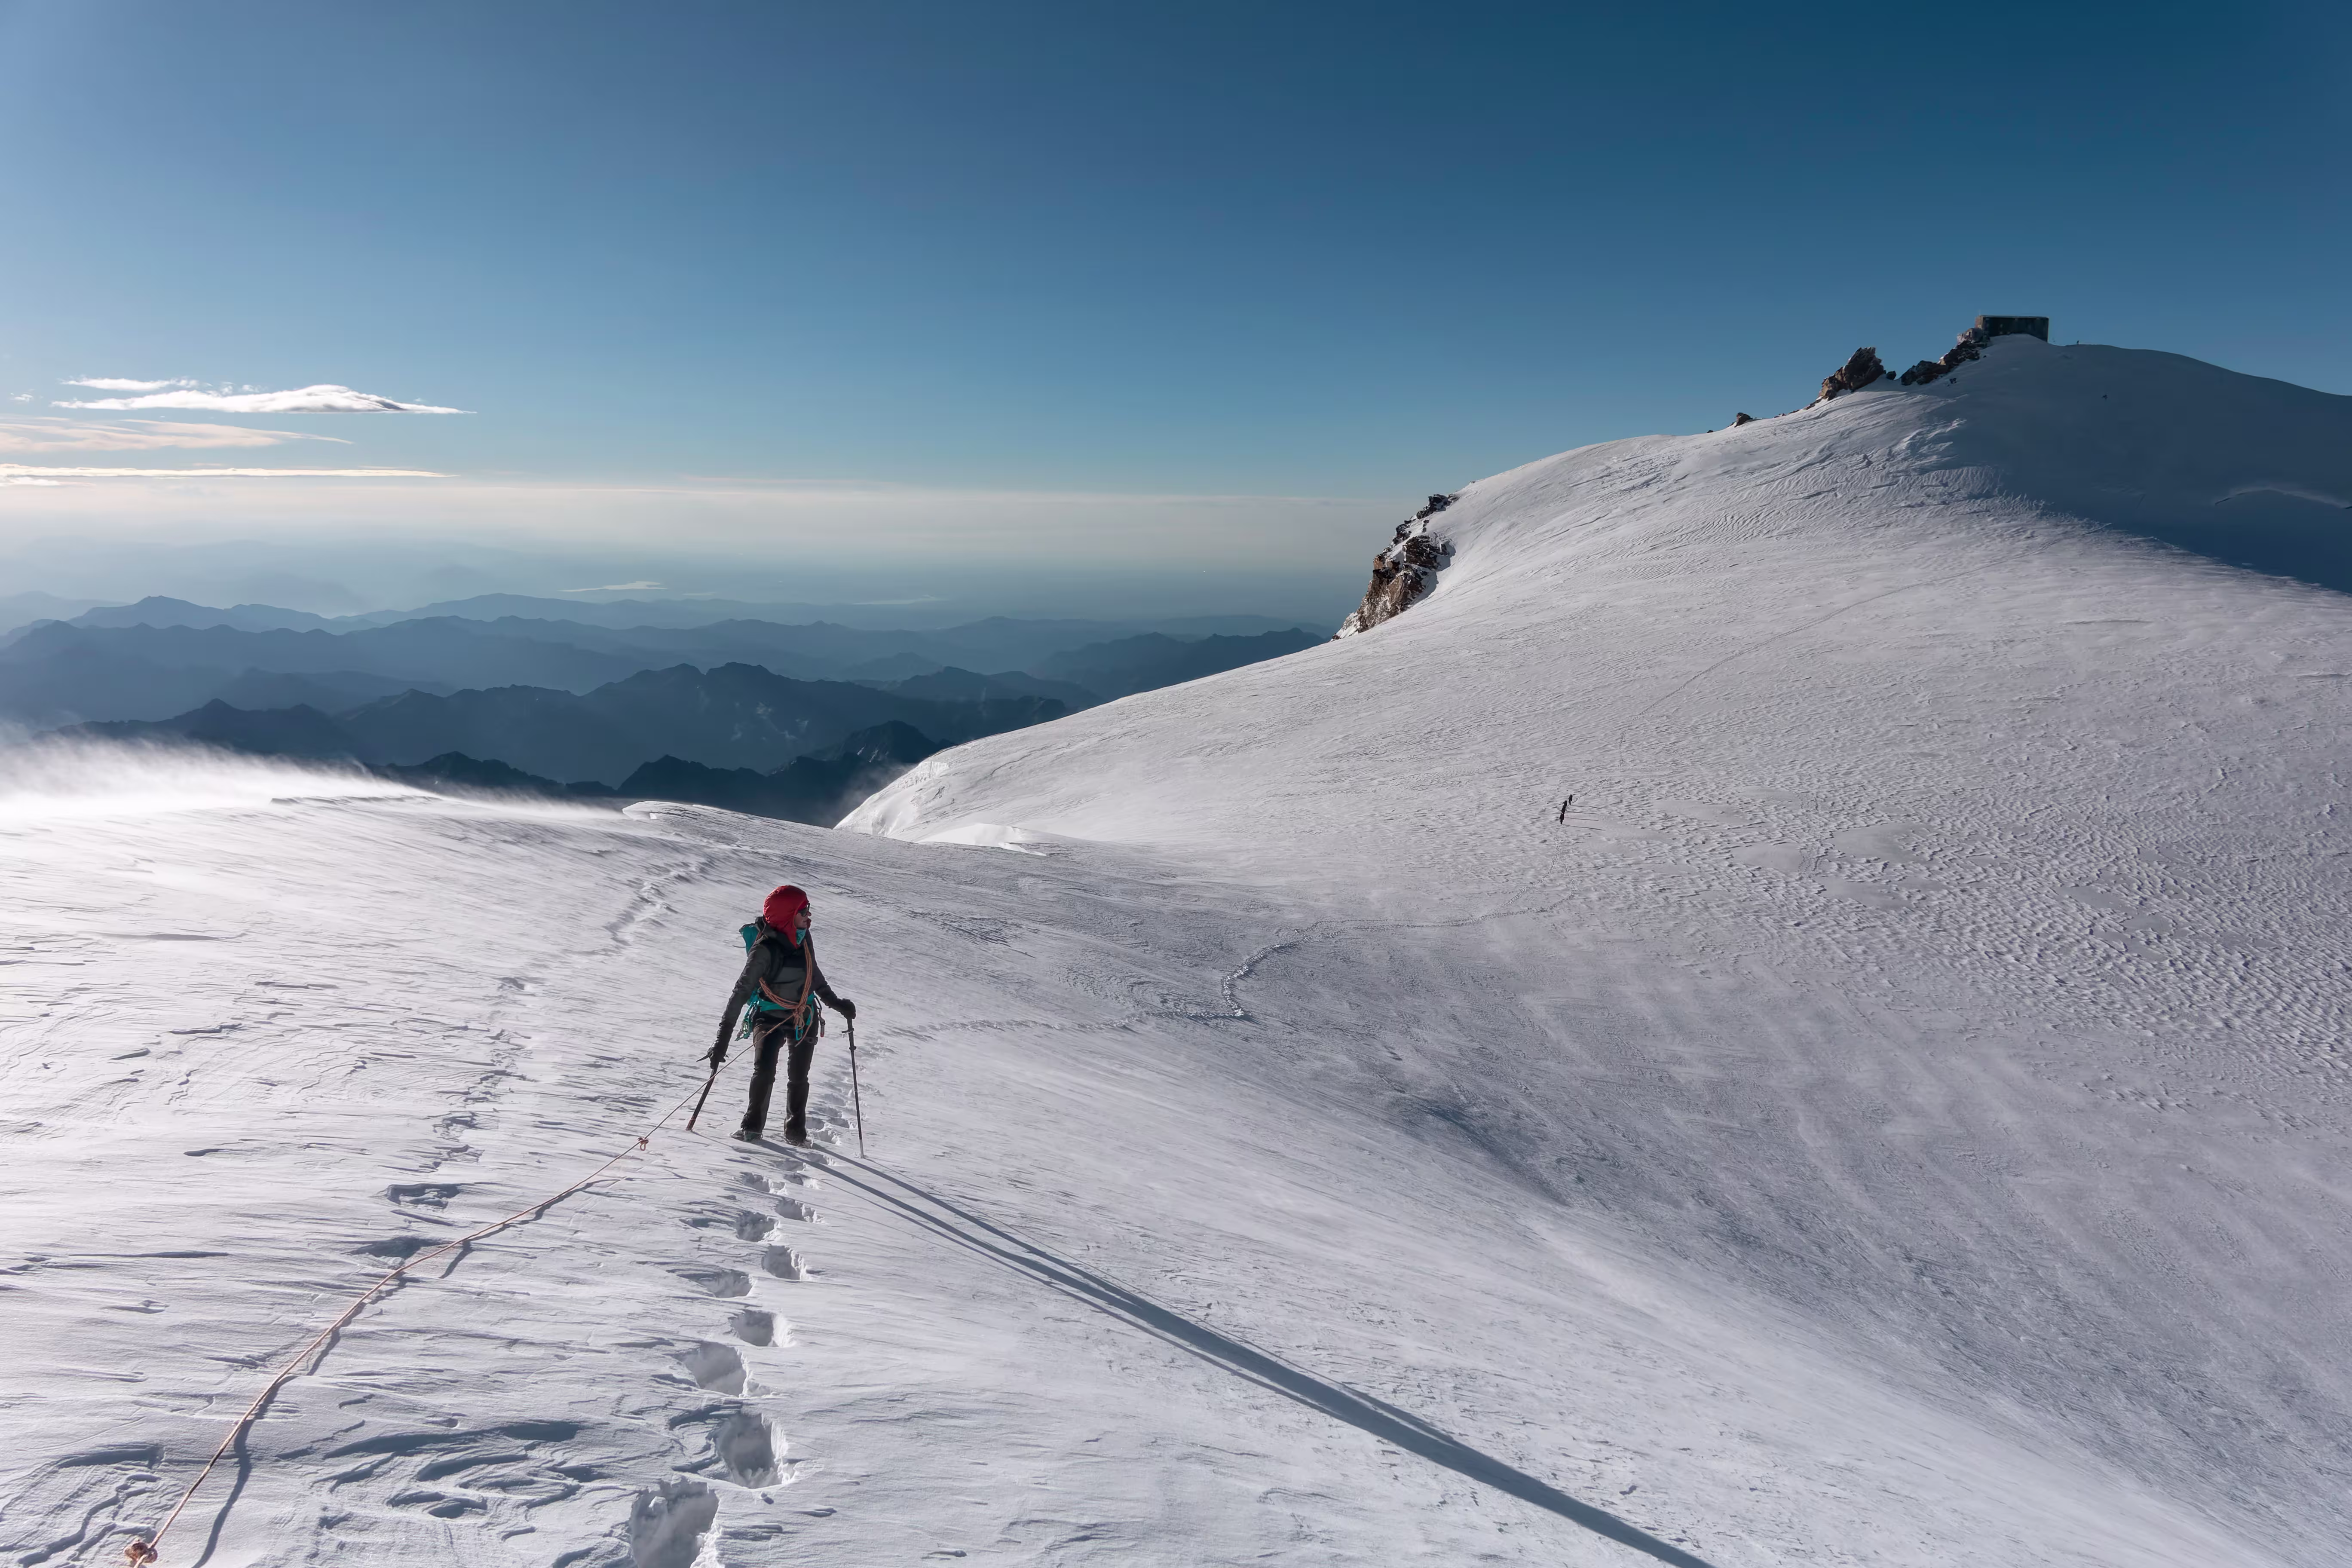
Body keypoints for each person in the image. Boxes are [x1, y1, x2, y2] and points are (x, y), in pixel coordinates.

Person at [709, 884, 855, 1145]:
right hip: (769, 1016)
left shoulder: (803, 938)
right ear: (788, 915)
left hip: (804, 1016)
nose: (809, 916)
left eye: (809, 910)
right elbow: (741, 992)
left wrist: (836, 1003)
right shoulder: (764, 949)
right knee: (764, 1071)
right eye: (804, 911)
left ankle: (796, 1132)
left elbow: (814, 975)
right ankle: (752, 1127)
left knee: (799, 1076)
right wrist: (722, 1041)